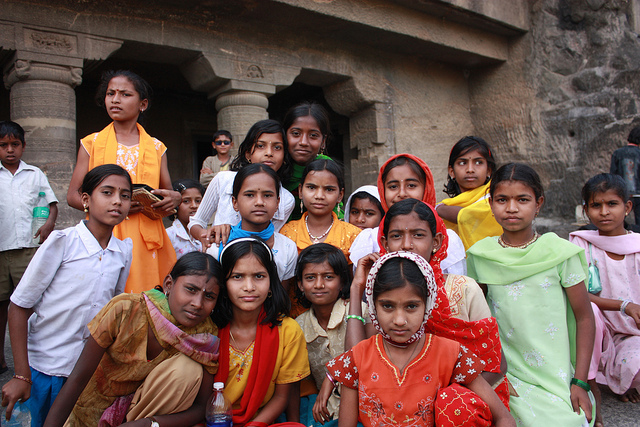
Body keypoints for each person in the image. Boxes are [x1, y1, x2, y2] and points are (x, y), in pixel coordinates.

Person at [1, 164, 133, 424]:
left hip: (86, 372)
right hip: (45, 369)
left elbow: (110, 316)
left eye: (125, 195)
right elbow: (19, 307)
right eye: (107, 192)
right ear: (86, 199)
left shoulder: (123, 251)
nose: (117, 201)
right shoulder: (62, 242)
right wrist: (21, 375)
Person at [467, 163, 595, 426]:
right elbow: (475, 323)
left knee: (566, 421)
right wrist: (490, 377)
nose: (511, 208)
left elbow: (584, 318)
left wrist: (580, 382)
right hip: (506, 371)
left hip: (554, 371)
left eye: (522, 200)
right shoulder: (480, 256)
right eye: (502, 200)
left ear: (538, 203)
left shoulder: (560, 252)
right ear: (491, 204)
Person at [326, 251, 515, 427]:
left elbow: (504, 417)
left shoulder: (450, 354)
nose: (399, 320)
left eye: (411, 306)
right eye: (388, 306)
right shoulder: (358, 358)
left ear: (428, 304)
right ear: (374, 306)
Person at [43, 251, 221, 426]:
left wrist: (150, 424)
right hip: (89, 415)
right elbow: (78, 378)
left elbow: (201, 408)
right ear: (168, 284)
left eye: (209, 296)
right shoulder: (126, 309)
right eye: (191, 290)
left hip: (142, 421)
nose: (197, 303)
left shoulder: (205, 336)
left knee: (189, 369)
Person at [67, 70, 181, 294]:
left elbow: (166, 195)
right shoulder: (91, 143)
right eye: (111, 94)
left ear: (143, 104)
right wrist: (109, 207)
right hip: (103, 235)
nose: (115, 99)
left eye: (125, 94)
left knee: (146, 302)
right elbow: (73, 196)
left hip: (145, 241)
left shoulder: (157, 147)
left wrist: (176, 198)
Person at [212, 238, 310, 425]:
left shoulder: (288, 330)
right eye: (237, 277)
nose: (249, 287)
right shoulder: (210, 327)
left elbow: (281, 398)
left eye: (259, 276)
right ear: (223, 284)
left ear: (271, 281)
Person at [569, 173, 640, 427]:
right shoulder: (580, 245)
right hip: (598, 331)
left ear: (627, 207)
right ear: (586, 210)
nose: (604, 212)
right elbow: (577, 292)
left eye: (612, 204)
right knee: (590, 312)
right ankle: (594, 386)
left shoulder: (638, 245)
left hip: (633, 334)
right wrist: (624, 306)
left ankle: (624, 381)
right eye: (596, 205)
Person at [0, 120, 58, 376]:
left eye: (15, 144)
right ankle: (1, 359)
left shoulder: (35, 174)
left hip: (28, 249)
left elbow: (51, 203)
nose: (9, 150)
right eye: (3, 145)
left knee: (30, 304)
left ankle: (35, 356)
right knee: (1, 305)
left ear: (23, 146)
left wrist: (48, 225)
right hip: (1, 249)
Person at [293, 244, 372, 426]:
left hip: (365, 404)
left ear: (342, 282)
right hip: (325, 409)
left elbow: (361, 358)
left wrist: (332, 376)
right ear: (300, 285)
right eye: (310, 278)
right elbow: (305, 381)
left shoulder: (361, 311)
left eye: (328, 277)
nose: (319, 285)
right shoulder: (299, 326)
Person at [349, 153, 466, 275]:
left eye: (411, 185)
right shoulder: (370, 240)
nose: (402, 193)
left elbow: (455, 289)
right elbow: (362, 288)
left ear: (426, 189)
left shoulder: (448, 239)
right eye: (393, 186)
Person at [189, 119, 294, 247]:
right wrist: (206, 236)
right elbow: (196, 222)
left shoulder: (286, 200)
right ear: (248, 154)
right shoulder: (223, 180)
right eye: (260, 146)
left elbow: (267, 238)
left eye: (277, 147)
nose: (269, 153)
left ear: (284, 156)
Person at [211, 163, 298, 287]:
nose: (259, 202)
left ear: (277, 202)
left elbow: (281, 298)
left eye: (267, 195)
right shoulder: (216, 245)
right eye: (250, 195)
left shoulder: (287, 248)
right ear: (235, 202)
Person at [280, 159, 360, 262]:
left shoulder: (353, 235)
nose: (319, 196)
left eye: (329, 189)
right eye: (312, 187)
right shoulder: (287, 232)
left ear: (340, 195)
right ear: (300, 191)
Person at [436, 136, 502, 250]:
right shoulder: (446, 207)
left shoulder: (497, 199)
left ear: (489, 171)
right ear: (452, 171)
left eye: (478, 162)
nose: (470, 169)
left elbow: (468, 216)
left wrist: (438, 209)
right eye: (462, 163)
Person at [282, 101, 341, 221]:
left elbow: (335, 212)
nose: (303, 142)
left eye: (313, 135)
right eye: (296, 134)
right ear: (284, 135)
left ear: (323, 141)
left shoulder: (327, 168)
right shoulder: (275, 165)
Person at [166, 178, 204, 259]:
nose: (194, 206)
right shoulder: (169, 236)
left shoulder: (206, 233)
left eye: (198, 201)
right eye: (186, 201)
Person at [610, 126, 640, 224]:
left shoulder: (617, 153)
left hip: (622, 193)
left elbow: (613, 175)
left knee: (619, 222)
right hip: (639, 193)